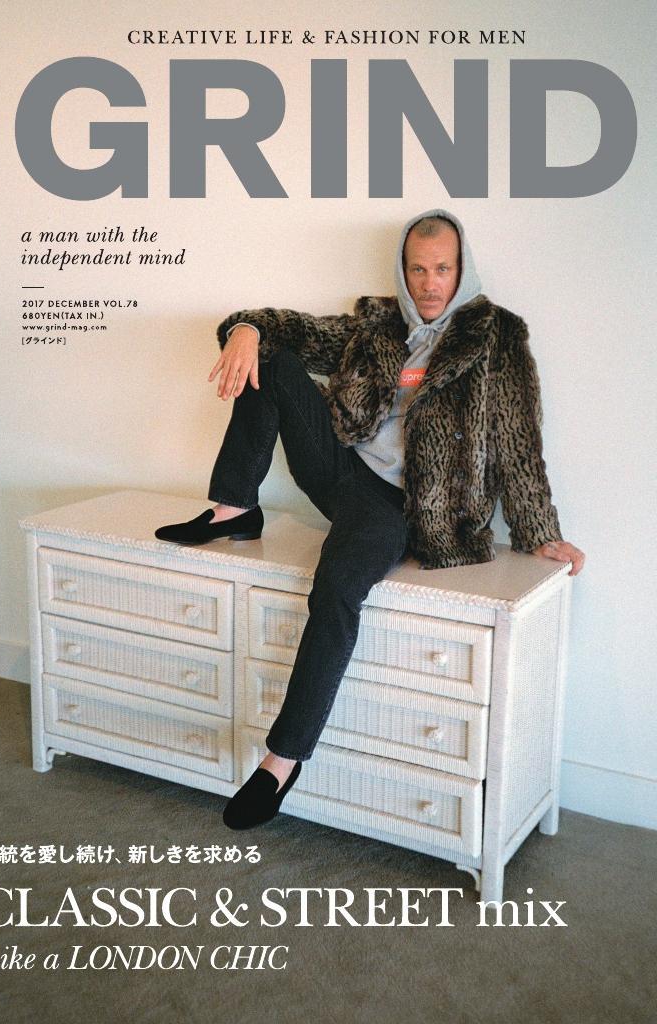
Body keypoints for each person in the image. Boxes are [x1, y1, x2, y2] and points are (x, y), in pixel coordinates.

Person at [155, 208, 585, 830]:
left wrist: (540, 533)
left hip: (404, 504)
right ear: (403, 270)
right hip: (342, 471)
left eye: (442, 269)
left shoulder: (495, 338)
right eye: (418, 270)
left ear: (461, 270)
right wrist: (245, 328)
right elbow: (295, 330)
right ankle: (236, 507)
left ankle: (281, 760)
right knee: (270, 359)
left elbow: (519, 442)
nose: (429, 284)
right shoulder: (377, 325)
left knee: (336, 588)